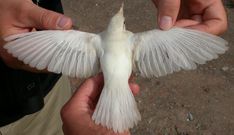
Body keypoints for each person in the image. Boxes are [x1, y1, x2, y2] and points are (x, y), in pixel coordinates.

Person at [0, 0, 227, 135]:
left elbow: (51, 43)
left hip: (46, 89)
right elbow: (175, 40)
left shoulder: (90, 40)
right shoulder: (141, 40)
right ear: (124, 28)